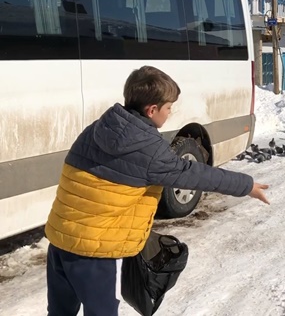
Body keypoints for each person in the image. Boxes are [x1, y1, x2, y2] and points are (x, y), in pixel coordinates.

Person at [44, 65, 269, 316]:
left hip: (60, 240)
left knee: (59, 312)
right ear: (152, 110)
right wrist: (246, 185)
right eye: (169, 107)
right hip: (93, 252)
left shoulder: (99, 128)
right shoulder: (149, 150)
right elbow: (195, 174)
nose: (170, 113)